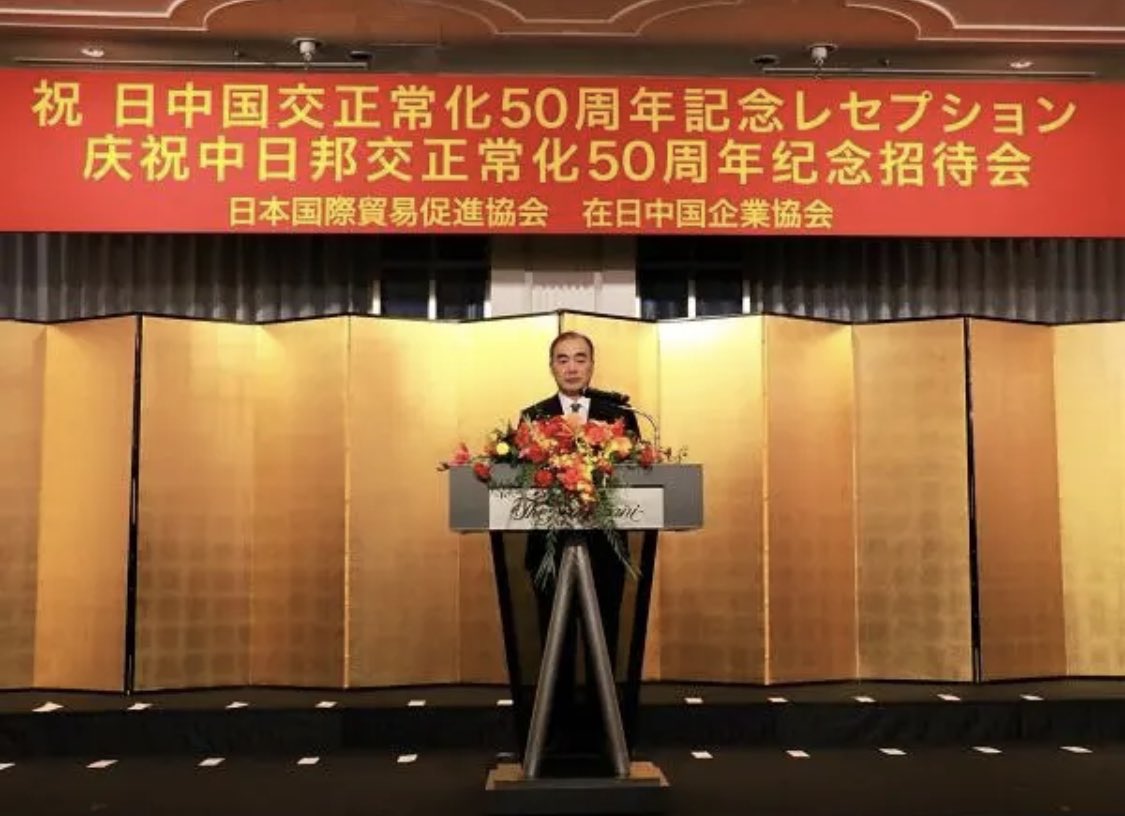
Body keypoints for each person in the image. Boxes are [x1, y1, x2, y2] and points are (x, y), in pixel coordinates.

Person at [519, 331, 641, 768]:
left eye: (580, 358)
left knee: (603, 639)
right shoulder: (533, 416)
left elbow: (636, 476)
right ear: (551, 366)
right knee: (556, 645)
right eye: (563, 359)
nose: (571, 367)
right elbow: (521, 480)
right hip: (549, 551)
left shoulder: (619, 415)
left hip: (604, 549)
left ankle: (606, 736)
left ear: (592, 365)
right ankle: (554, 737)